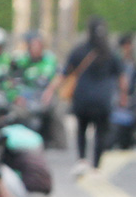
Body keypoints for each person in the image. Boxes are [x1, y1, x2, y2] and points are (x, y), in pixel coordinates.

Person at [44, 16, 129, 175]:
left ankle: (82, 159)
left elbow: (64, 74)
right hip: (103, 100)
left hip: (82, 98)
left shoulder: (79, 51)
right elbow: (122, 79)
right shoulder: (111, 53)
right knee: (101, 132)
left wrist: (49, 90)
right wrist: (123, 97)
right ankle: (96, 165)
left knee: (82, 130)